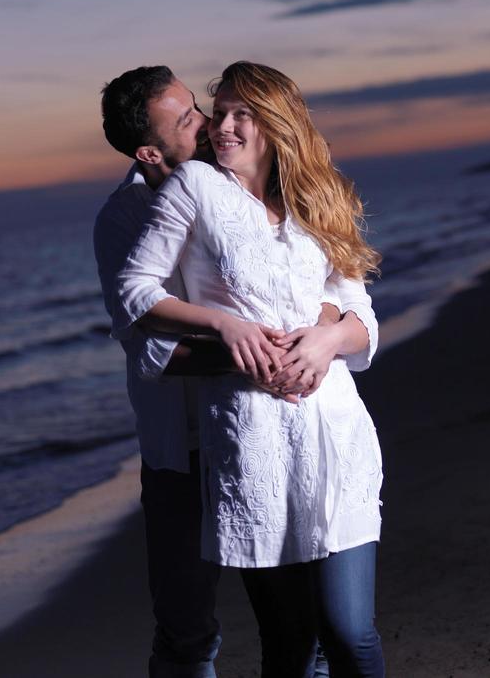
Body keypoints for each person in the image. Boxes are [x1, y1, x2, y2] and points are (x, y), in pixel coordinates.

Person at [115, 61, 385, 678]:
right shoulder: (195, 189)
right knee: (289, 643)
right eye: (220, 110)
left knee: (350, 630)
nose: (222, 127)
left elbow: (361, 312)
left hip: (334, 432)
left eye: (241, 113)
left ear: (276, 122)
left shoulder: (320, 194)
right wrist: (224, 325)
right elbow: (135, 291)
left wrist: (327, 340)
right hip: (253, 443)